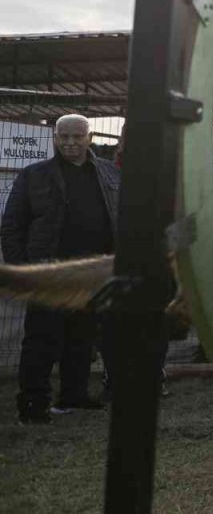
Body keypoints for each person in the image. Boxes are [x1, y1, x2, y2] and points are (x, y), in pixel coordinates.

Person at [1, 114, 118, 424]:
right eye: (63, 136)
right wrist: (23, 270)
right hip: (48, 272)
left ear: (89, 138)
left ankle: (74, 394)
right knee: (42, 339)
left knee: (82, 335)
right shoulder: (34, 175)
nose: (70, 142)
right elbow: (11, 226)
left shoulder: (108, 173)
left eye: (77, 136)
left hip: (93, 272)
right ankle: (33, 404)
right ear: (54, 137)